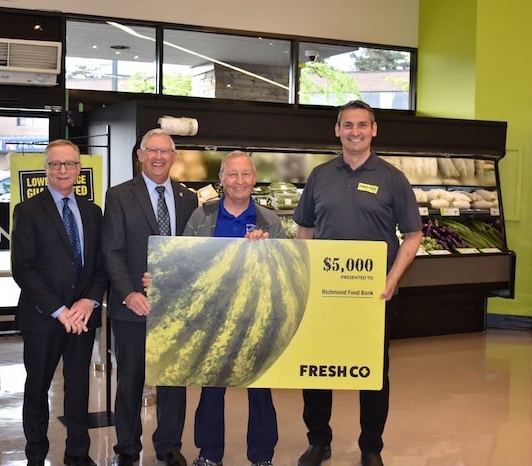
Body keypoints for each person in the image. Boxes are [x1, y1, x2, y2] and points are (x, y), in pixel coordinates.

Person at [292, 100, 423, 466]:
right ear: (337, 130)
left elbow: (413, 234)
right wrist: (308, 273)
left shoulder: (392, 178)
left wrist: (391, 279)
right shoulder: (320, 175)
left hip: (373, 295)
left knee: (373, 372)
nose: (354, 131)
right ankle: (319, 440)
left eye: (362, 125)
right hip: (325, 292)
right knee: (318, 367)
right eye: (347, 125)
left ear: (373, 129)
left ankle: (371, 447)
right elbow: (305, 228)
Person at [102, 128, 198, 466]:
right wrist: (129, 292)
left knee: (173, 379)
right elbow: (111, 250)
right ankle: (127, 448)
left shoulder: (188, 199)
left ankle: (169, 446)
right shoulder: (118, 195)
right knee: (130, 379)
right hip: (131, 308)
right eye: (151, 150)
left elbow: (192, 252)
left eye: (165, 151)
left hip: (175, 308)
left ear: (173, 157)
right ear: (140, 155)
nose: (158, 157)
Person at [11, 139, 108, 466]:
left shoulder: (93, 213)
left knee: (79, 388)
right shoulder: (27, 211)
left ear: (79, 170)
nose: (62, 170)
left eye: (69, 164)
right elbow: (23, 268)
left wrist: (89, 302)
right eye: (55, 164)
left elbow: (101, 266)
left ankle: (77, 454)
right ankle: (35, 455)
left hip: (82, 318)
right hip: (43, 318)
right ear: (46, 169)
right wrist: (60, 310)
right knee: (37, 389)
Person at [184, 151, 283, 466]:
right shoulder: (202, 217)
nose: (239, 181)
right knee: (211, 389)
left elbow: (282, 275)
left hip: (256, 319)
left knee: (260, 391)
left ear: (254, 179)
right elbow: (185, 261)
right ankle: (209, 454)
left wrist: (267, 251)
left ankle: (262, 456)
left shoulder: (271, 221)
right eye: (232, 174)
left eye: (245, 174)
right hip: (213, 319)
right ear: (222, 179)